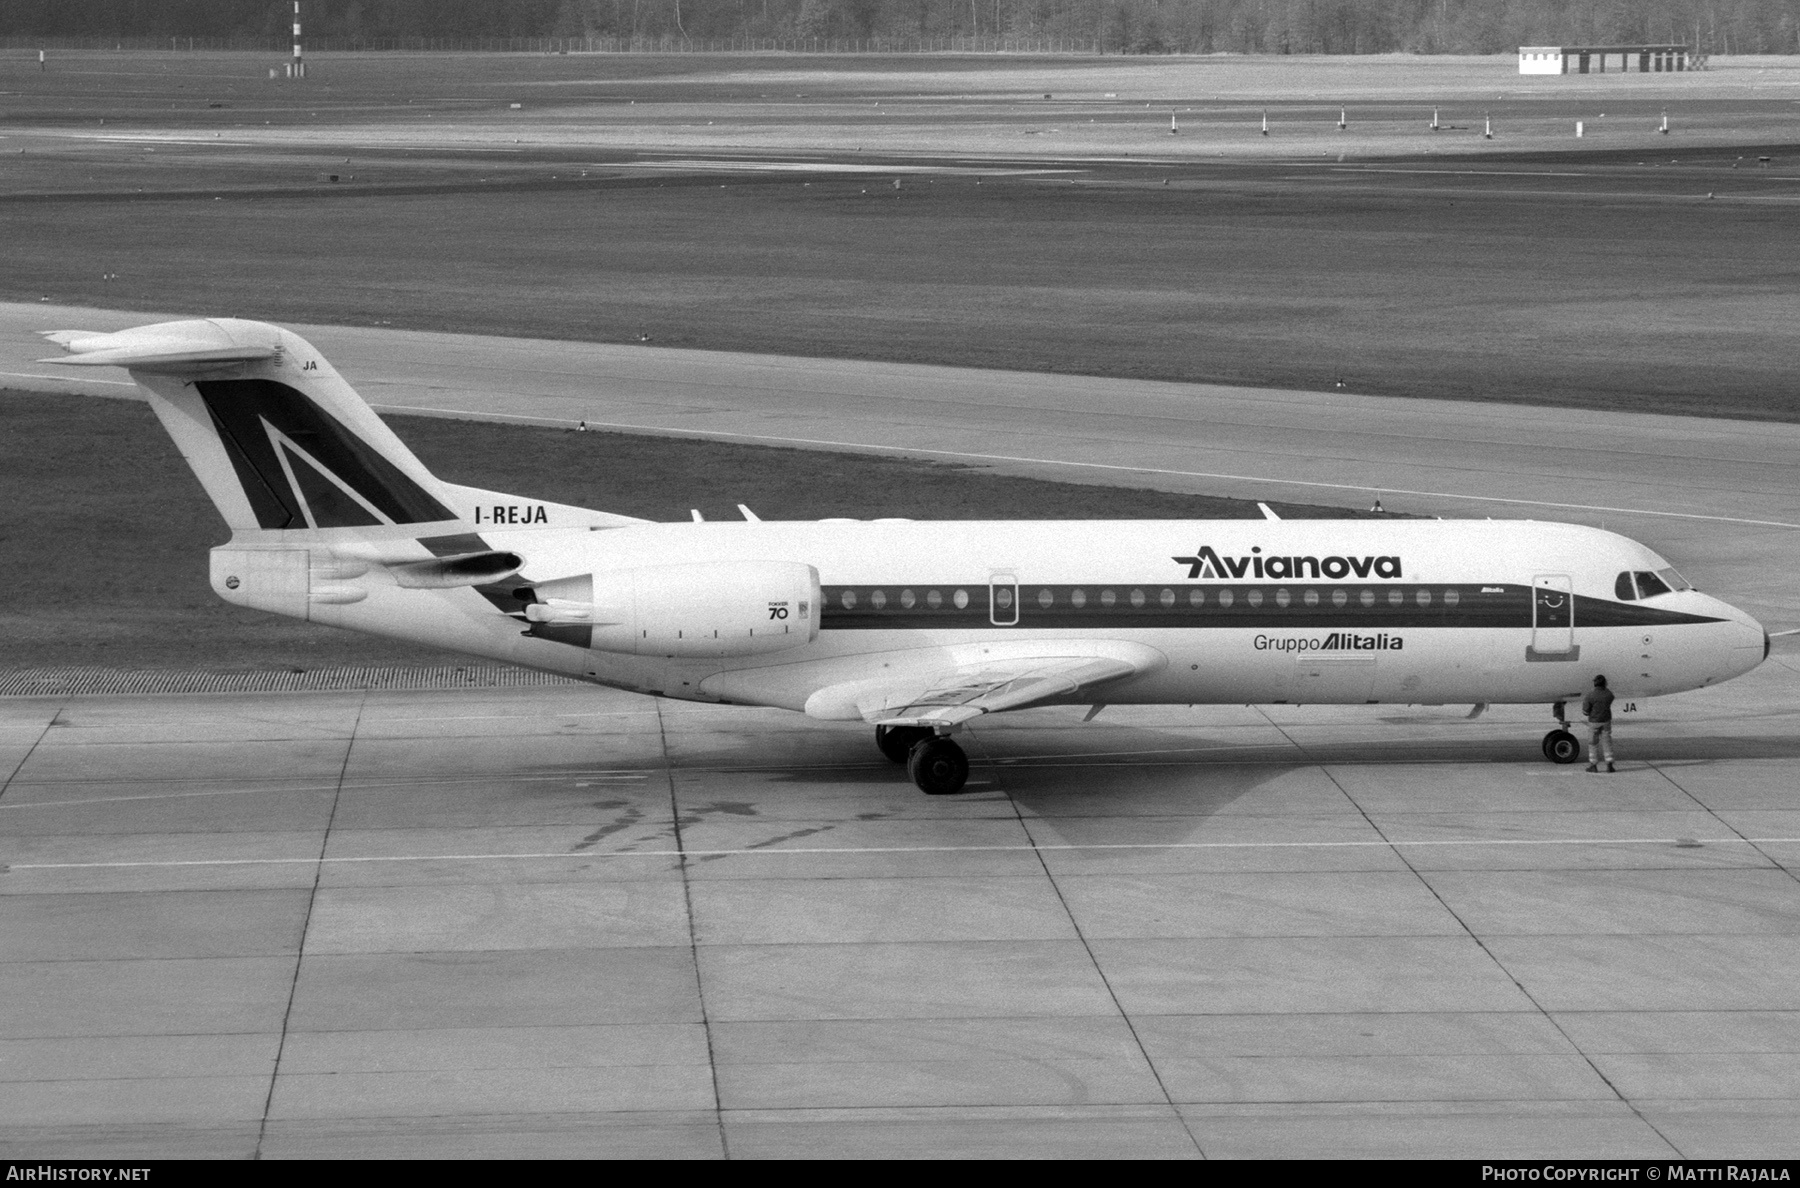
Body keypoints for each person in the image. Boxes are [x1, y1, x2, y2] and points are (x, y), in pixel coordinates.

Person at [1581, 675, 1615, 772]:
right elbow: (1611, 698)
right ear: (1605, 683)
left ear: (1594, 683)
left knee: (1593, 743)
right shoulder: (1608, 694)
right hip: (1606, 721)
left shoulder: (1590, 695)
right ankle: (1609, 765)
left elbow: (1585, 711)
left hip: (1594, 722)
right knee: (1607, 742)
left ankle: (1593, 765)